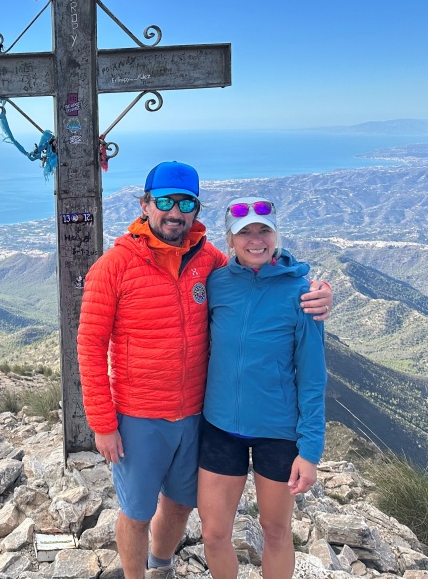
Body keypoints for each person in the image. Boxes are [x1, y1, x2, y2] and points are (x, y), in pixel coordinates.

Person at [76, 162, 332, 579]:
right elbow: (88, 346)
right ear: (145, 204)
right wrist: (103, 423)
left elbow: (262, 269)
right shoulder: (114, 266)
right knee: (137, 511)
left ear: (197, 211)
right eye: (164, 201)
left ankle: (161, 566)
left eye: (186, 203)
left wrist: (318, 292)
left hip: (197, 416)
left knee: (180, 502)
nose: (175, 212)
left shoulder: (208, 262)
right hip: (141, 414)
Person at [197, 198, 327, 579]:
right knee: (214, 533)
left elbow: (313, 377)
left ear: (276, 236)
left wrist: (311, 450)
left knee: (275, 532)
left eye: (263, 231)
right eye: (245, 233)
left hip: (278, 433)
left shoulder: (301, 293)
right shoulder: (216, 283)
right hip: (220, 427)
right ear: (230, 239)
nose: (255, 240)